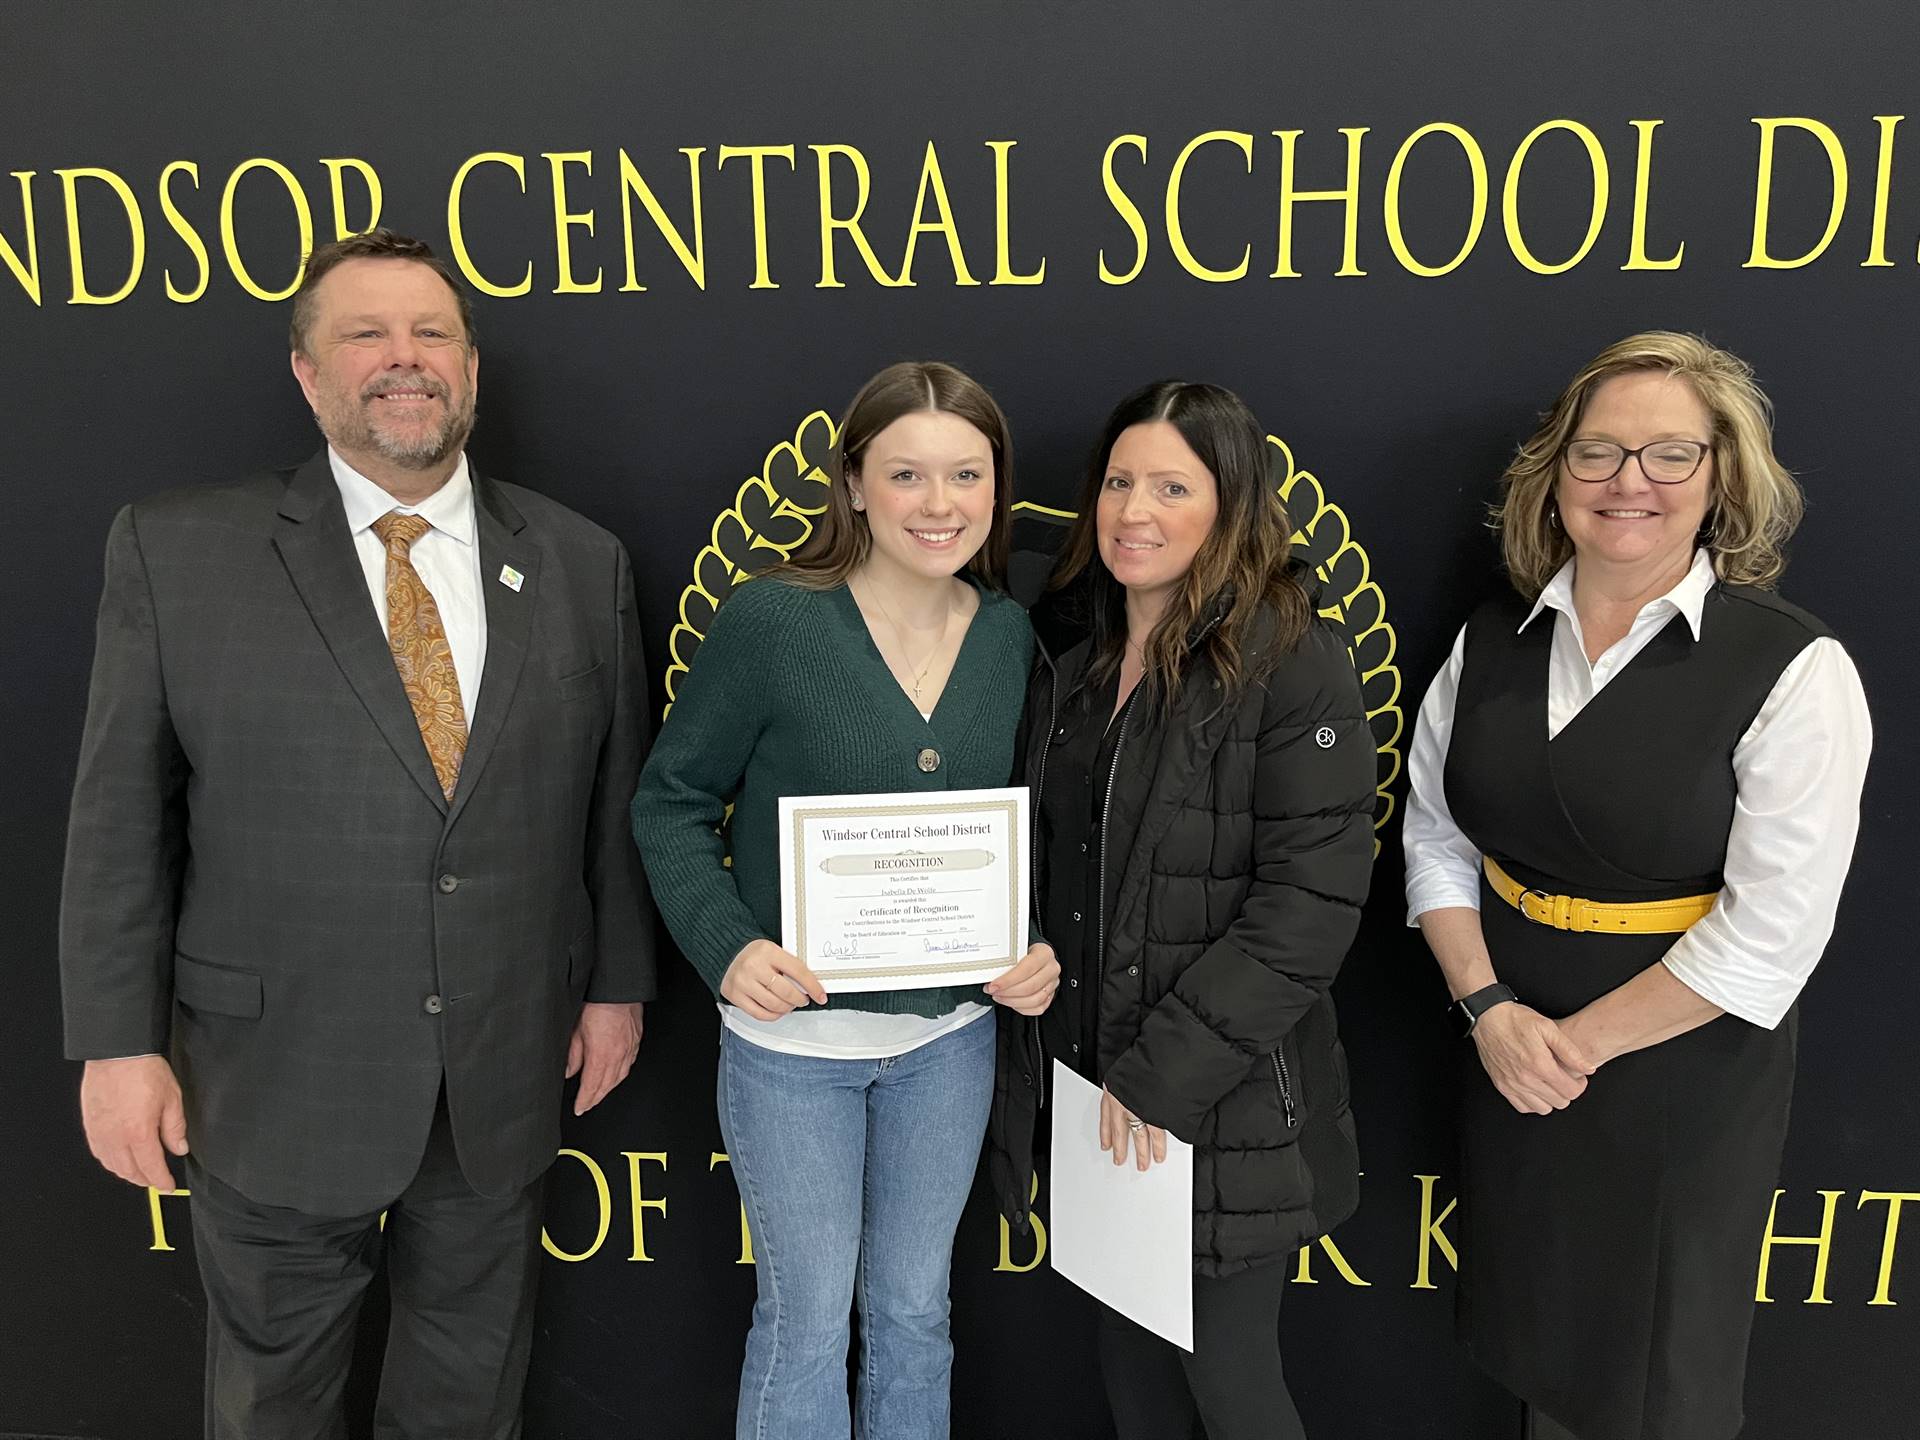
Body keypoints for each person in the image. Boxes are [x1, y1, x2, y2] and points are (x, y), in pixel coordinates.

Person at [60, 229, 654, 1440]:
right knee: (270, 1403)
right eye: (365, 334)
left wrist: (617, 989)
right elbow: (119, 819)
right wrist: (116, 1046)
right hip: (273, 1080)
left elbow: (612, 806)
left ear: (472, 370)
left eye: (434, 333)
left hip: (499, 1072)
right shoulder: (177, 551)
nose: (405, 359)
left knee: (466, 1398)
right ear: (306, 373)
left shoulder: (581, 563)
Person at [1403, 332, 1873, 1440]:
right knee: (1543, 1350)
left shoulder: (1796, 668)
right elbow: (1434, 836)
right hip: (1509, 1049)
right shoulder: (1489, 643)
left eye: (1670, 454)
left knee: (1658, 1381)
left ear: (1721, 478)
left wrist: (1574, 1046)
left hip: (1677, 1073)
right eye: (1599, 453)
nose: (1630, 484)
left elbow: (1772, 933)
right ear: (1553, 474)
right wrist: (1490, 1012)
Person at [631, 361, 1059, 1440]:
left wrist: (1032, 943)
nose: (940, 502)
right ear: (854, 484)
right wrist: (726, 945)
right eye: (907, 473)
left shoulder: (1010, 637)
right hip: (793, 1055)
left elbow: (1019, 832)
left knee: (917, 1317)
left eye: (967, 474)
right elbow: (670, 801)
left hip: (951, 1045)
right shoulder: (773, 620)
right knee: (806, 1324)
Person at [987, 381, 1377, 1440]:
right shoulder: (1074, 661)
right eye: (1118, 483)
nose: (1133, 512)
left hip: (1214, 1104)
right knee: (1136, 1385)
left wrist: (1160, 1079)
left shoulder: (1291, 661)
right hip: (1089, 1092)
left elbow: (1311, 904)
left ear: (1232, 504)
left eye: (1172, 486)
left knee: (1231, 1388)